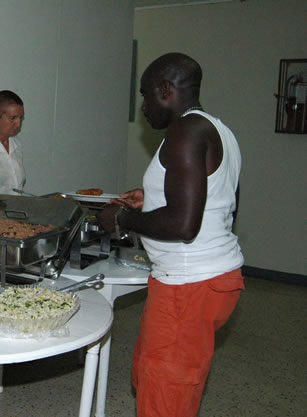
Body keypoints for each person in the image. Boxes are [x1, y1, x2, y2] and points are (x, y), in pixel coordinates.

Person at [98, 53, 244, 417]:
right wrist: (152, 199)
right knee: (154, 384)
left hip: (188, 287)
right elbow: (220, 203)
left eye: (146, 95)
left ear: (166, 90)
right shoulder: (218, 128)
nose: (144, 107)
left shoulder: (185, 131)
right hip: (209, 279)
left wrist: (123, 220)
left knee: (165, 403)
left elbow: (184, 224)